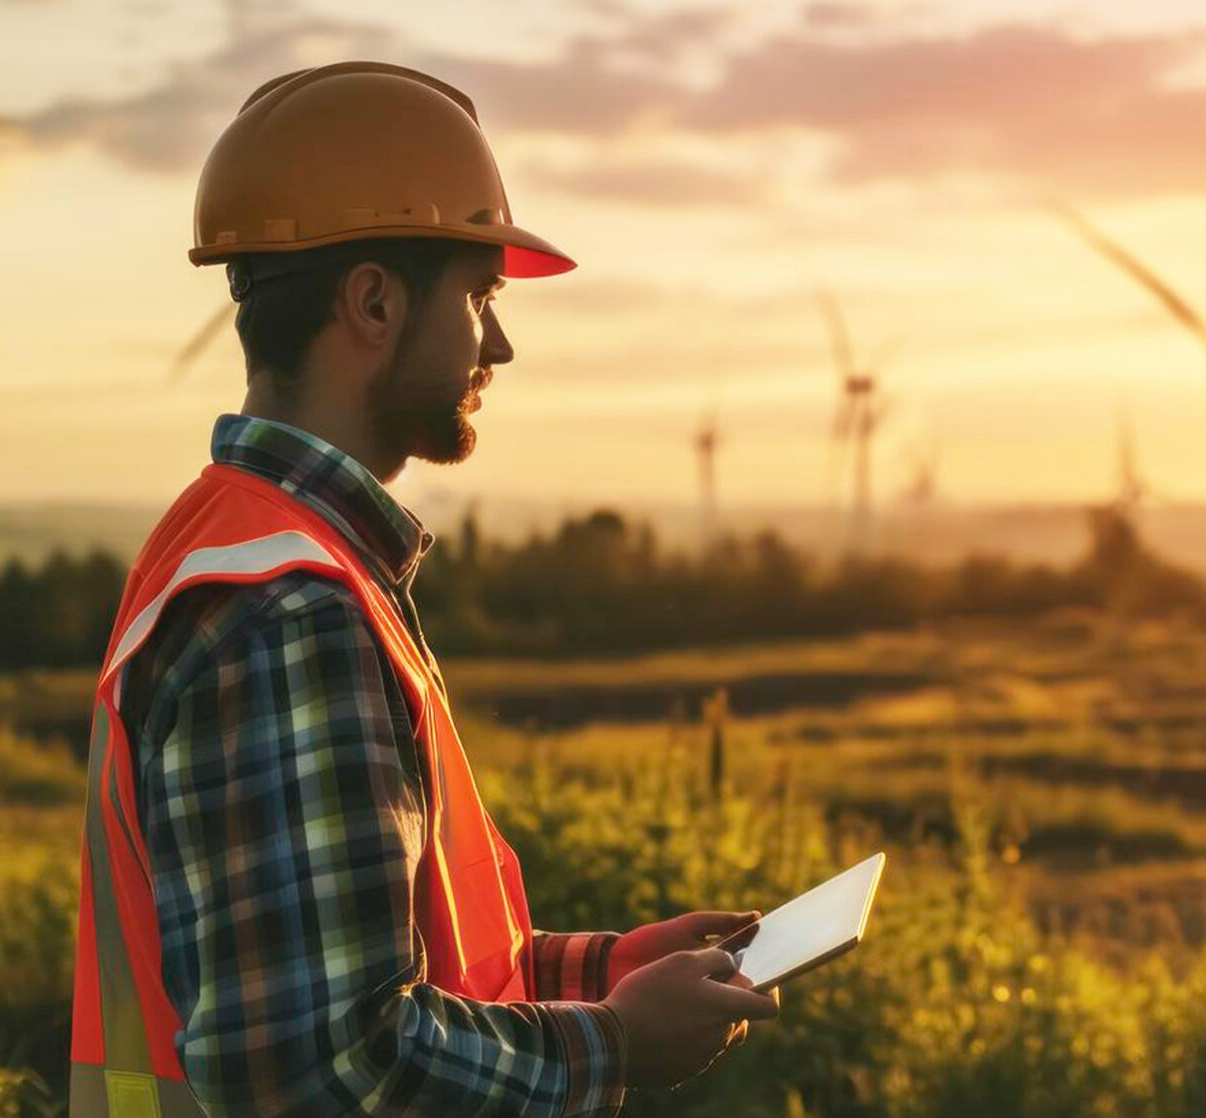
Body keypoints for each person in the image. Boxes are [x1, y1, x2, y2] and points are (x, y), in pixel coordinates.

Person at [67, 61, 777, 1118]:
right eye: (480, 295)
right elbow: (324, 1066)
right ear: (371, 302)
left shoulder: (256, 549)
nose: (499, 341)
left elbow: (405, 968)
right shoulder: (287, 612)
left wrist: (609, 968)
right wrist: (616, 1043)